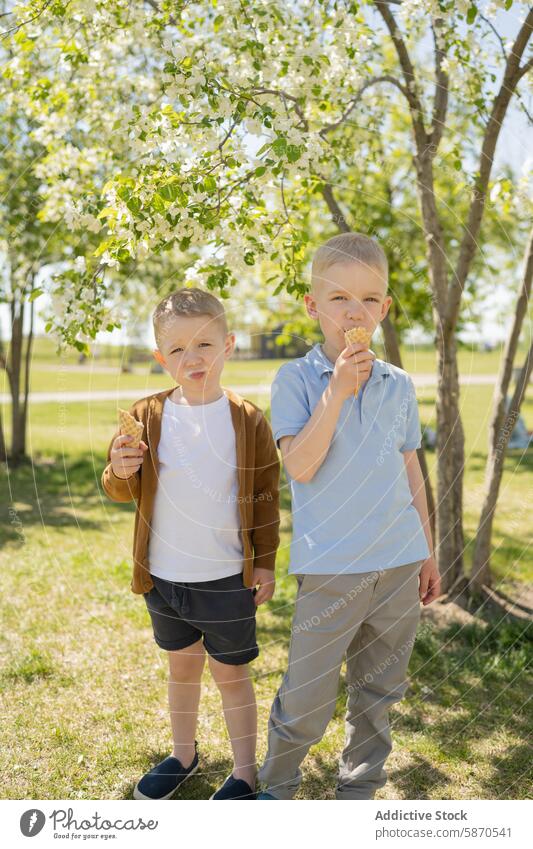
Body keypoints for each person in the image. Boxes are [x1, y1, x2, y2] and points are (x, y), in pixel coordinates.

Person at [257, 232, 441, 800]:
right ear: (313, 306)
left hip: (398, 562)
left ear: (384, 309)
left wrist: (428, 550)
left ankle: (359, 792)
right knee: (307, 696)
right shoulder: (296, 379)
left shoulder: (400, 385)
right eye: (338, 299)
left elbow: (411, 469)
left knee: (380, 691)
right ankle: (276, 788)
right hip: (332, 566)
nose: (353, 312)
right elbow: (301, 466)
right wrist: (336, 392)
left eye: (368, 299)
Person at [101, 288, 280, 800]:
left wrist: (263, 564)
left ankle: (244, 772)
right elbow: (117, 487)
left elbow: (266, 499)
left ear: (230, 345)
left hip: (225, 578)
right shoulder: (147, 415)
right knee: (181, 670)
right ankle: (183, 754)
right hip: (163, 575)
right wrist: (118, 468)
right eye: (177, 350)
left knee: (231, 676)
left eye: (204, 344)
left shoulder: (247, 419)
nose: (193, 358)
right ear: (161, 358)